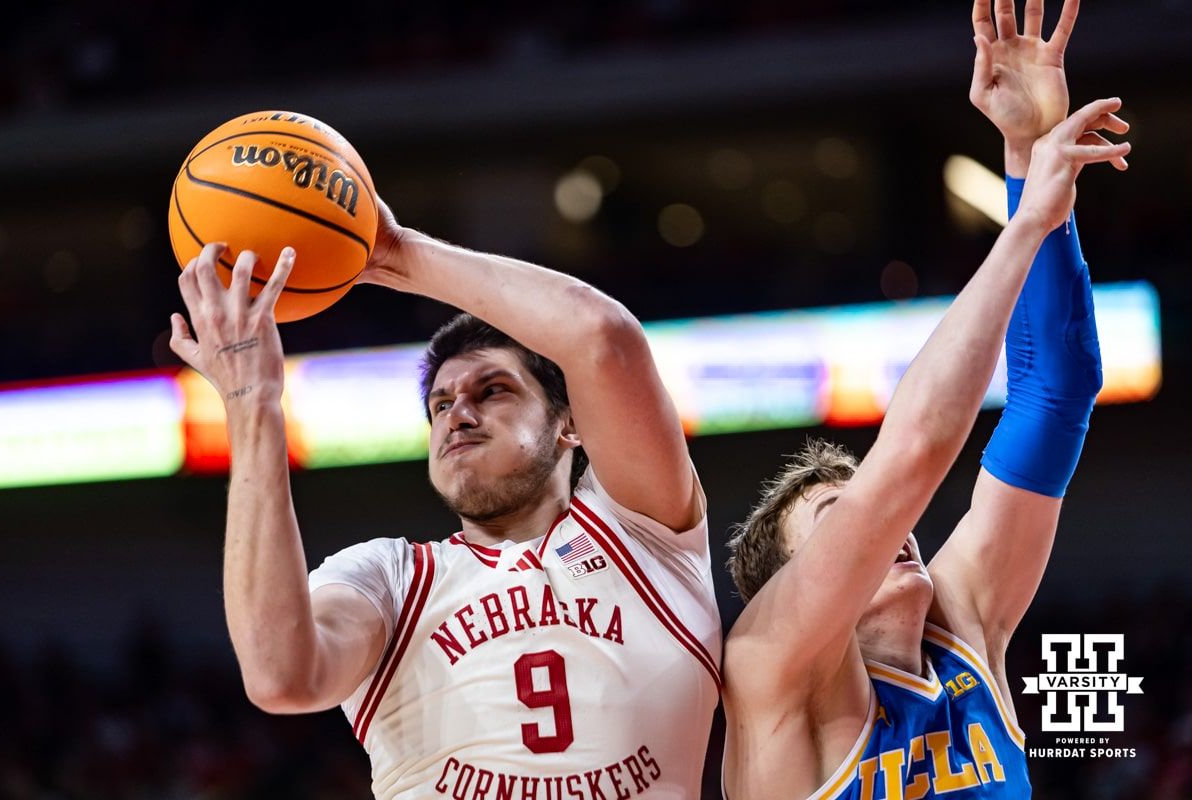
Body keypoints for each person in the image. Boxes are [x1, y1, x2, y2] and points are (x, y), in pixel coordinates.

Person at [167, 194, 721, 793]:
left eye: (492, 391)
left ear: (569, 423)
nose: (457, 414)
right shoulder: (388, 577)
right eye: (440, 405)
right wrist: (252, 408)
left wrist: (398, 255)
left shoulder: (644, 534)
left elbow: (603, 338)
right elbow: (281, 676)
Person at [720, 1, 1130, 797]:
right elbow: (911, 454)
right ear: (796, 585)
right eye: (844, 520)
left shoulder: (964, 624)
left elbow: (1057, 391)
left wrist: (1028, 158)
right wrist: (1024, 227)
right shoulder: (772, 673)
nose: (889, 528)